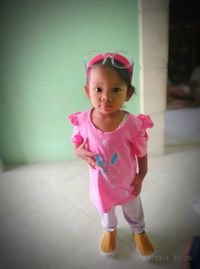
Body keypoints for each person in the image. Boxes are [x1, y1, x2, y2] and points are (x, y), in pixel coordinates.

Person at [68, 52, 154, 260]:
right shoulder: (83, 121)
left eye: (116, 89)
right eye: (98, 89)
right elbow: (77, 145)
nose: (106, 97)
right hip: (101, 184)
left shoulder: (132, 124)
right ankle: (110, 230)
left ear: (128, 94)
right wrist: (79, 152)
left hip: (127, 181)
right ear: (88, 91)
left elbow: (142, 153)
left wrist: (141, 176)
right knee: (105, 210)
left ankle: (138, 230)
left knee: (133, 208)